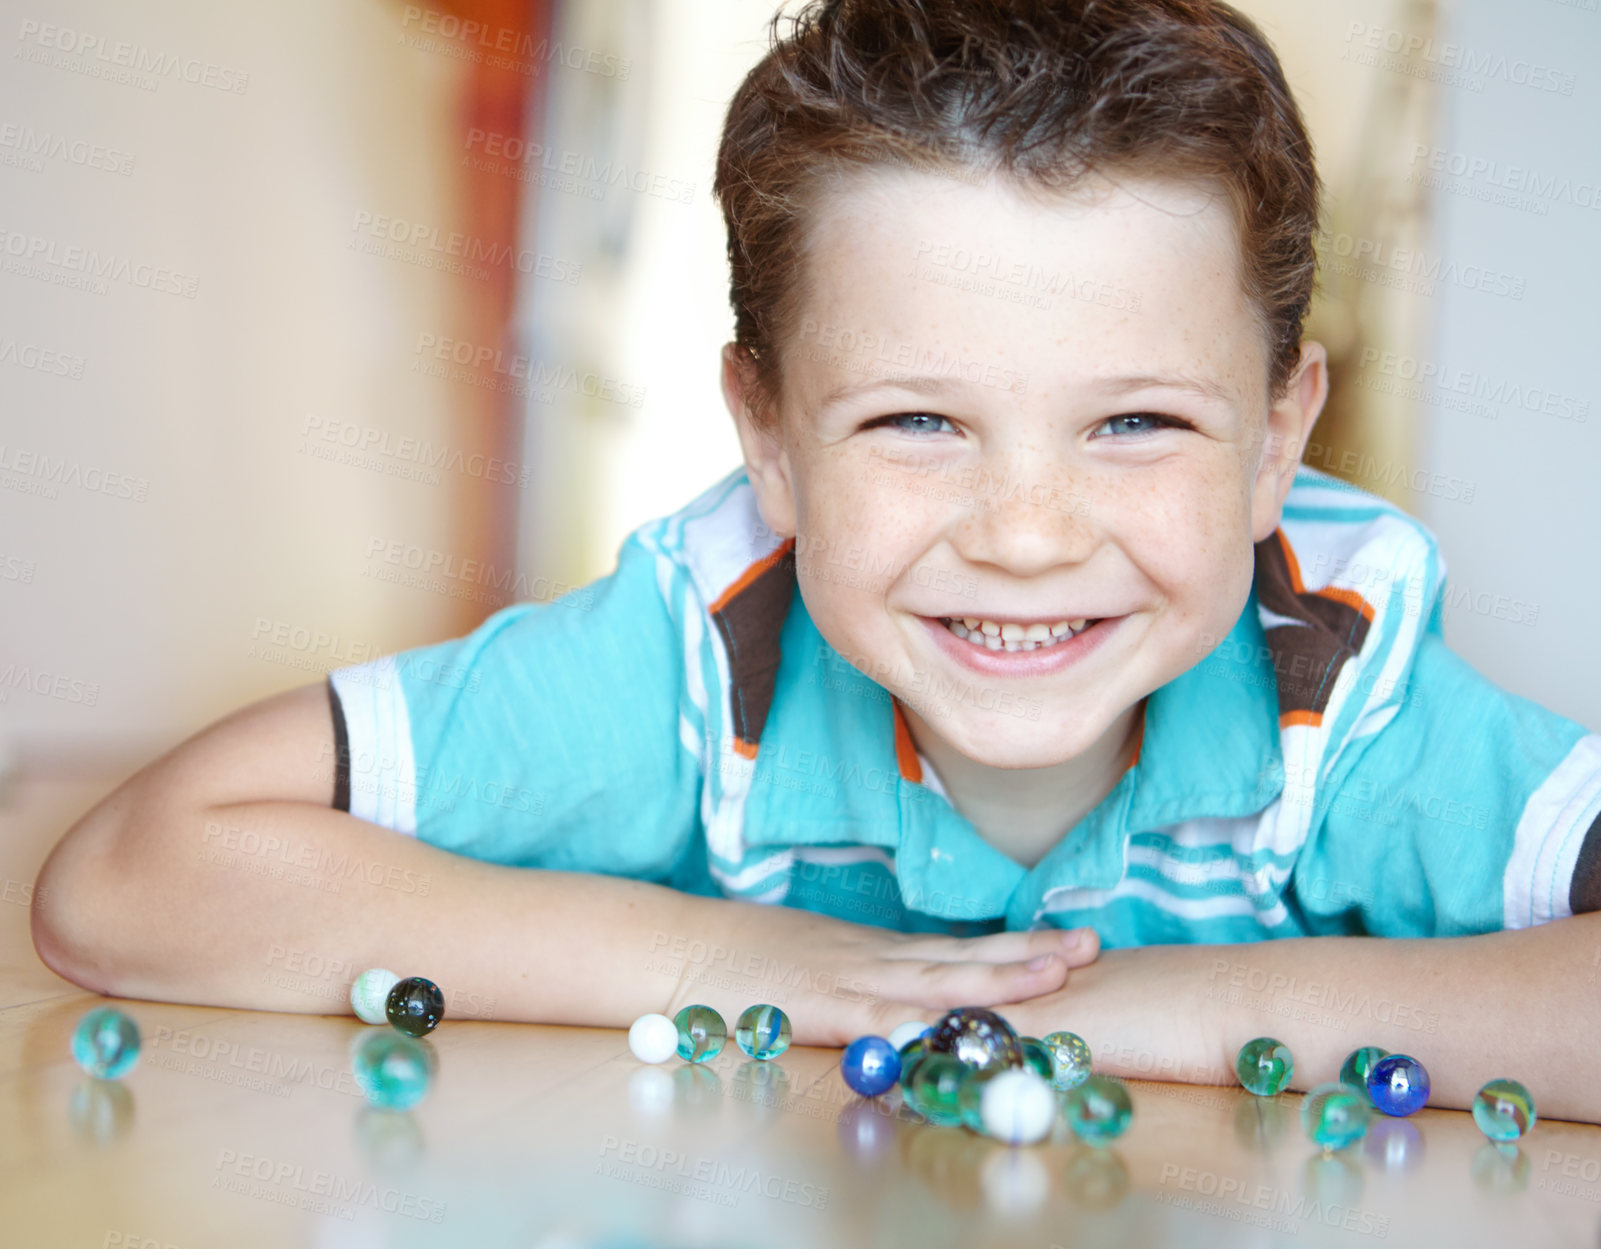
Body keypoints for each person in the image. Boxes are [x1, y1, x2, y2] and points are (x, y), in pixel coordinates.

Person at [32, 0, 1601, 1119]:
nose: (1027, 531)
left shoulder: (1339, 674)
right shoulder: (696, 651)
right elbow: (129, 879)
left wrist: (1171, 1007)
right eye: (917, 419)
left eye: (1132, 422)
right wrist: (735, 951)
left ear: (1277, 437)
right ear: (766, 437)